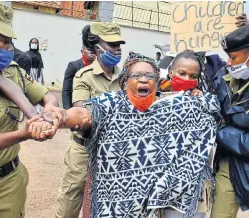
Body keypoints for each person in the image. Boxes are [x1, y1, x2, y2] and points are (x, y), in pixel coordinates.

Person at [39, 52, 219, 218]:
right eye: (137, 76)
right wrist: (62, 116)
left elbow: (210, 111)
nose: (143, 80)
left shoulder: (169, 108)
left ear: (157, 81)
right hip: (114, 201)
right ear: (125, 81)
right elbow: (84, 113)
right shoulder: (111, 103)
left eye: (150, 77)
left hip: (151, 202)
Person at [0, 2, 59, 217]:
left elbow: (46, 96)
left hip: (8, 187)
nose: (10, 49)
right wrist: (23, 134)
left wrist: (48, 112)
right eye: (3, 41)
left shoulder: (12, 71)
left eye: (11, 42)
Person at [55, 22, 125, 218]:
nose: (117, 49)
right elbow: (81, 109)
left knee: (107, 200)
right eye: (112, 44)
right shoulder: (84, 76)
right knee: (71, 197)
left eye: (119, 44)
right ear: (98, 47)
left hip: (113, 151)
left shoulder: (126, 79)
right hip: (84, 149)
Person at [211, 24, 249, 217]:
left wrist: (221, 131)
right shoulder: (223, 78)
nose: (228, 63)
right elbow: (212, 108)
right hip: (229, 164)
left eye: (233, 58)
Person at [62, 25, 96, 110]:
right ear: (82, 51)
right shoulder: (73, 66)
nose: (91, 52)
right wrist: (68, 111)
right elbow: (66, 91)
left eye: (93, 49)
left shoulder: (101, 67)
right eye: (88, 49)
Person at [26, 37, 45, 113]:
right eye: (32, 42)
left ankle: (38, 109)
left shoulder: (38, 54)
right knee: (30, 90)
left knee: (38, 90)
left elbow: (40, 65)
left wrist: (40, 76)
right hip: (29, 73)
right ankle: (29, 109)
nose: (34, 44)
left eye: (35, 43)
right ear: (30, 44)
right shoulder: (26, 53)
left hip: (37, 74)